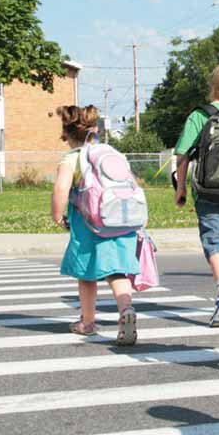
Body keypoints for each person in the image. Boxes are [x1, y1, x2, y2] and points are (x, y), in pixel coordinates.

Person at [52, 105, 138, 345]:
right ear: (95, 130)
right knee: (117, 272)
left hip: (87, 222)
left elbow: (61, 188)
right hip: (119, 221)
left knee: (87, 274)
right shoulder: (112, 152)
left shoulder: (71, 158)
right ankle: (126, 310)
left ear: (66, 135)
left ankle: (87, 322)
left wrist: (57, 215)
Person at [172, 63, 219, 327]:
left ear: (213, 86)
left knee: (214, 239)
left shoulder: (200, 116)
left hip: (208, 189)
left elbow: (182, 153)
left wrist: (180, 188)